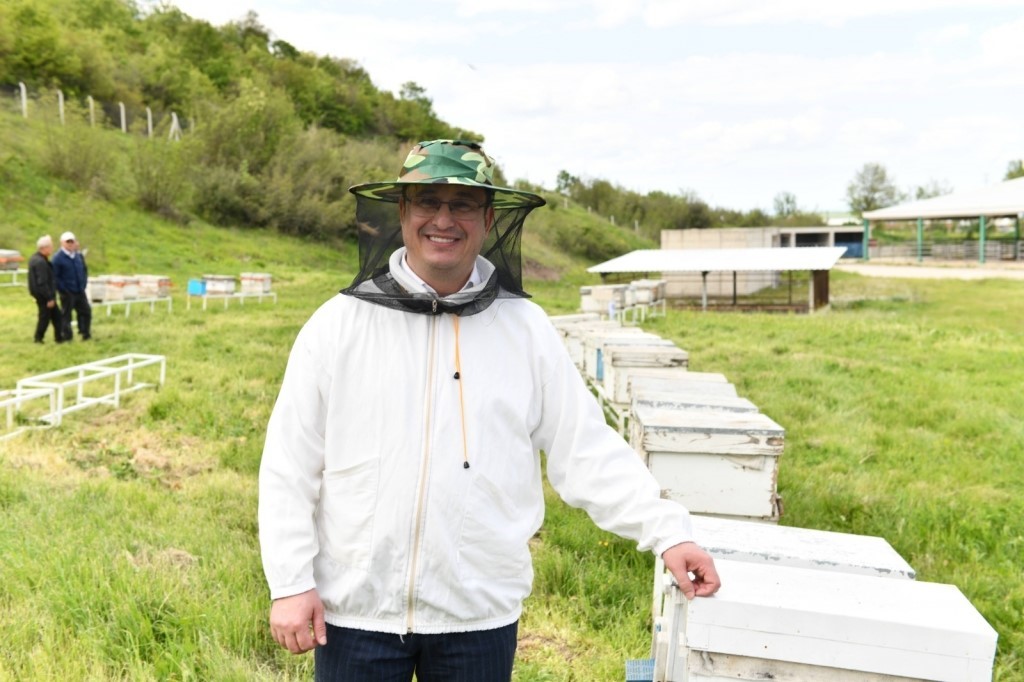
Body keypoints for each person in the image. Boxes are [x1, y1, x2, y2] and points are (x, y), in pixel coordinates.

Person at [259, 139, 720, 681]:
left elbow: (585, 448)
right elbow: (290, 463)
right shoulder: (339, 325)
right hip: (356, 611)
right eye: (428, 201)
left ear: (488, 217)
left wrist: (668, 532)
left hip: (476, 614)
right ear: (402, 212)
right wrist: (291, 582)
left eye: (462, 205)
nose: (443, 219)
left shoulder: (525, 330)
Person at [51, 230, 92, 341]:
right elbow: (55, 276)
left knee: (86, 311)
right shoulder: (58, 258)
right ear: (62, 243)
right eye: (67, 242)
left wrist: (83, 284)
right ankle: (67, 336)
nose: (70, 244)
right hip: (67, 292)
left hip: (79, 290)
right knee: (66, 315)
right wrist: (63, 289)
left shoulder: (78, 256)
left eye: (71, 241)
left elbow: (84, 270)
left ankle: (85, 333)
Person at [27, 234, 63, 344]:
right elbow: (42, 282)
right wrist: (49, 298)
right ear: (44, 248)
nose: (52, 249)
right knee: (45, 318)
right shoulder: (40, 262)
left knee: (56, 317)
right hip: (44, 296)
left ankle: (58, 337)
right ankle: (38, 338)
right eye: (50, 247)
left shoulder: (35, 259)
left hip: (41, 295)